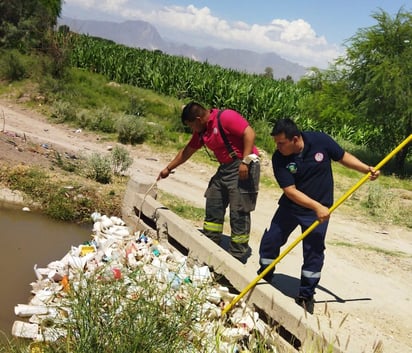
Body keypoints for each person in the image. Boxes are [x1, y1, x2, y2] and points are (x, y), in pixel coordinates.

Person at [258, 118, 379, 314]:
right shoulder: (279, 158)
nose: (277, 147)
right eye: (276, 143)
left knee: (314, 252)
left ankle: (306, 295)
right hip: (292, 207)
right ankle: (265, 273)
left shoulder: (320, 141)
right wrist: (316, 206)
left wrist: (366, 169)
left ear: (295, 139)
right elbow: (290, 190)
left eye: (281, 142)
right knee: (272, 240)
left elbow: (342, 156)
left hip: (319, 212)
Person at [158, 101, 260, 263]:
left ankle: (237, 256)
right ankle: (210, 243)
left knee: (238, 210)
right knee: (214, 199)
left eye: (191, 126)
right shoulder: (202, 132)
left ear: (198, 119)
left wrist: (245, 162)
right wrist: (168, 169)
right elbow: (187, 151)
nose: (192, 130)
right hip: (226, 167)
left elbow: (250, 133)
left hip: (243, 164)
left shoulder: (225, 117)